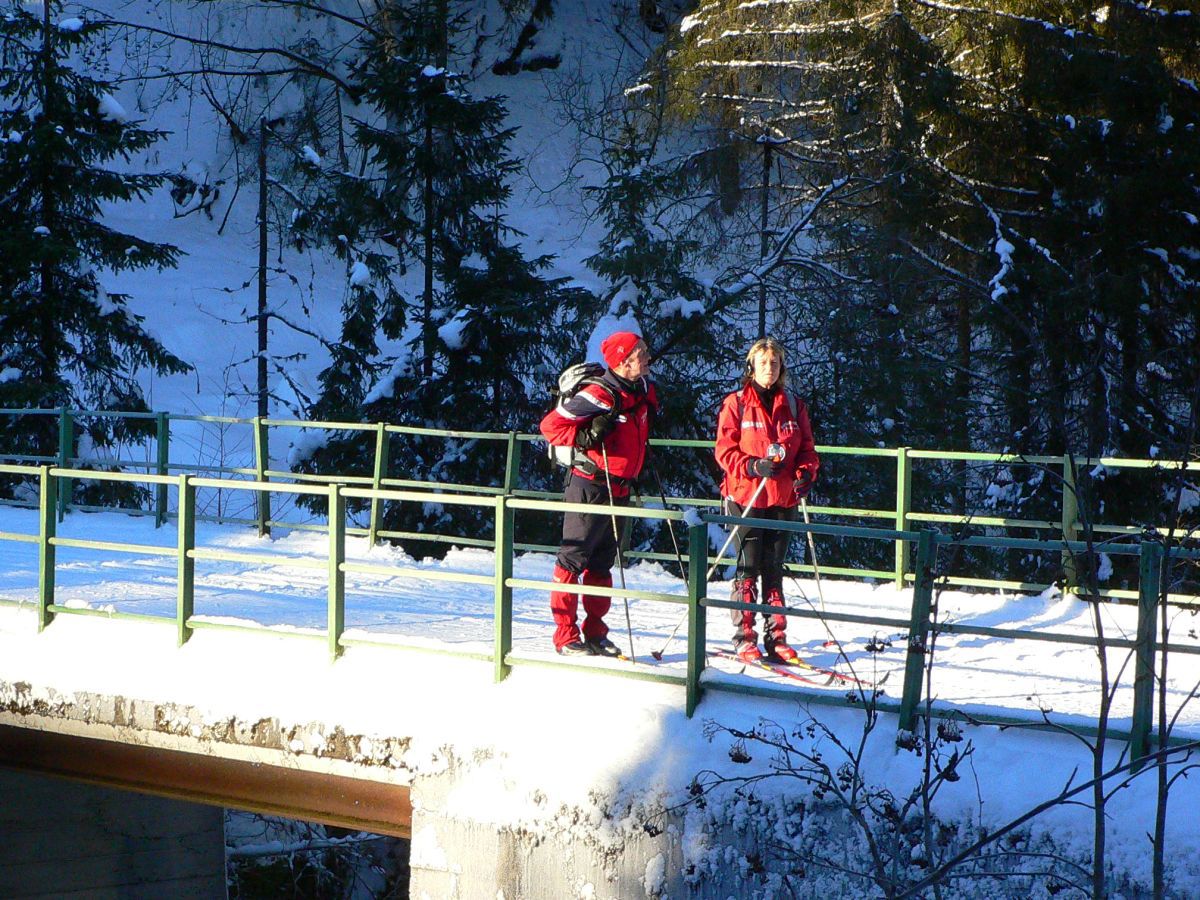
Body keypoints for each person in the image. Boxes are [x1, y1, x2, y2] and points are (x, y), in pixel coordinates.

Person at [539, 331, 658, 656]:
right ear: (624, 359)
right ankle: (565, 637)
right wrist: (584, 438)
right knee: (572, 560)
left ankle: (595, 634)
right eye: (641, 352)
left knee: (602, 564)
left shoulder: (640, 389)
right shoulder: (600, 394)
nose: (647, 356)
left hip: (619, 488)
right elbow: (551, 427)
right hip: (590, 486)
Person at [714, 337, 819, 664]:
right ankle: (745, 637)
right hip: (747, 494)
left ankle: (777, 637)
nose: (769, 370)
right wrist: (751, 465)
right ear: (752, 367)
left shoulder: (794, 404)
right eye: (763, 364)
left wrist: (805, 473)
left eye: (774, 364)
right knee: (748, 565)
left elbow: (807, 449)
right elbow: (724, 450)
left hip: (782, 495)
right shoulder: (737, 404)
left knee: (774, 568)